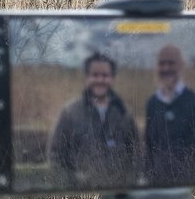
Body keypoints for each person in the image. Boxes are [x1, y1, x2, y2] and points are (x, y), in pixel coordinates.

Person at [47, 52, 140, 188]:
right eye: (95, 75)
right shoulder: (70, 113)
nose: (100, 80)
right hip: (82, 197)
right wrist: (70, 187)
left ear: (112, 78)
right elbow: (56, 155)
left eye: (105, 75)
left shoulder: (124, 113)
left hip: (119, 195)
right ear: (87, 77)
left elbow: (136, 154)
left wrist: (129, 184)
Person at [143, 44, 195, 187]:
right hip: (158, 189)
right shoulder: (152, 104)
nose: (166, 68)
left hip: (191, 191)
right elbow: (149, 148)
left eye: (171, 63)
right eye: (162, 63)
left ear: (181, 66)